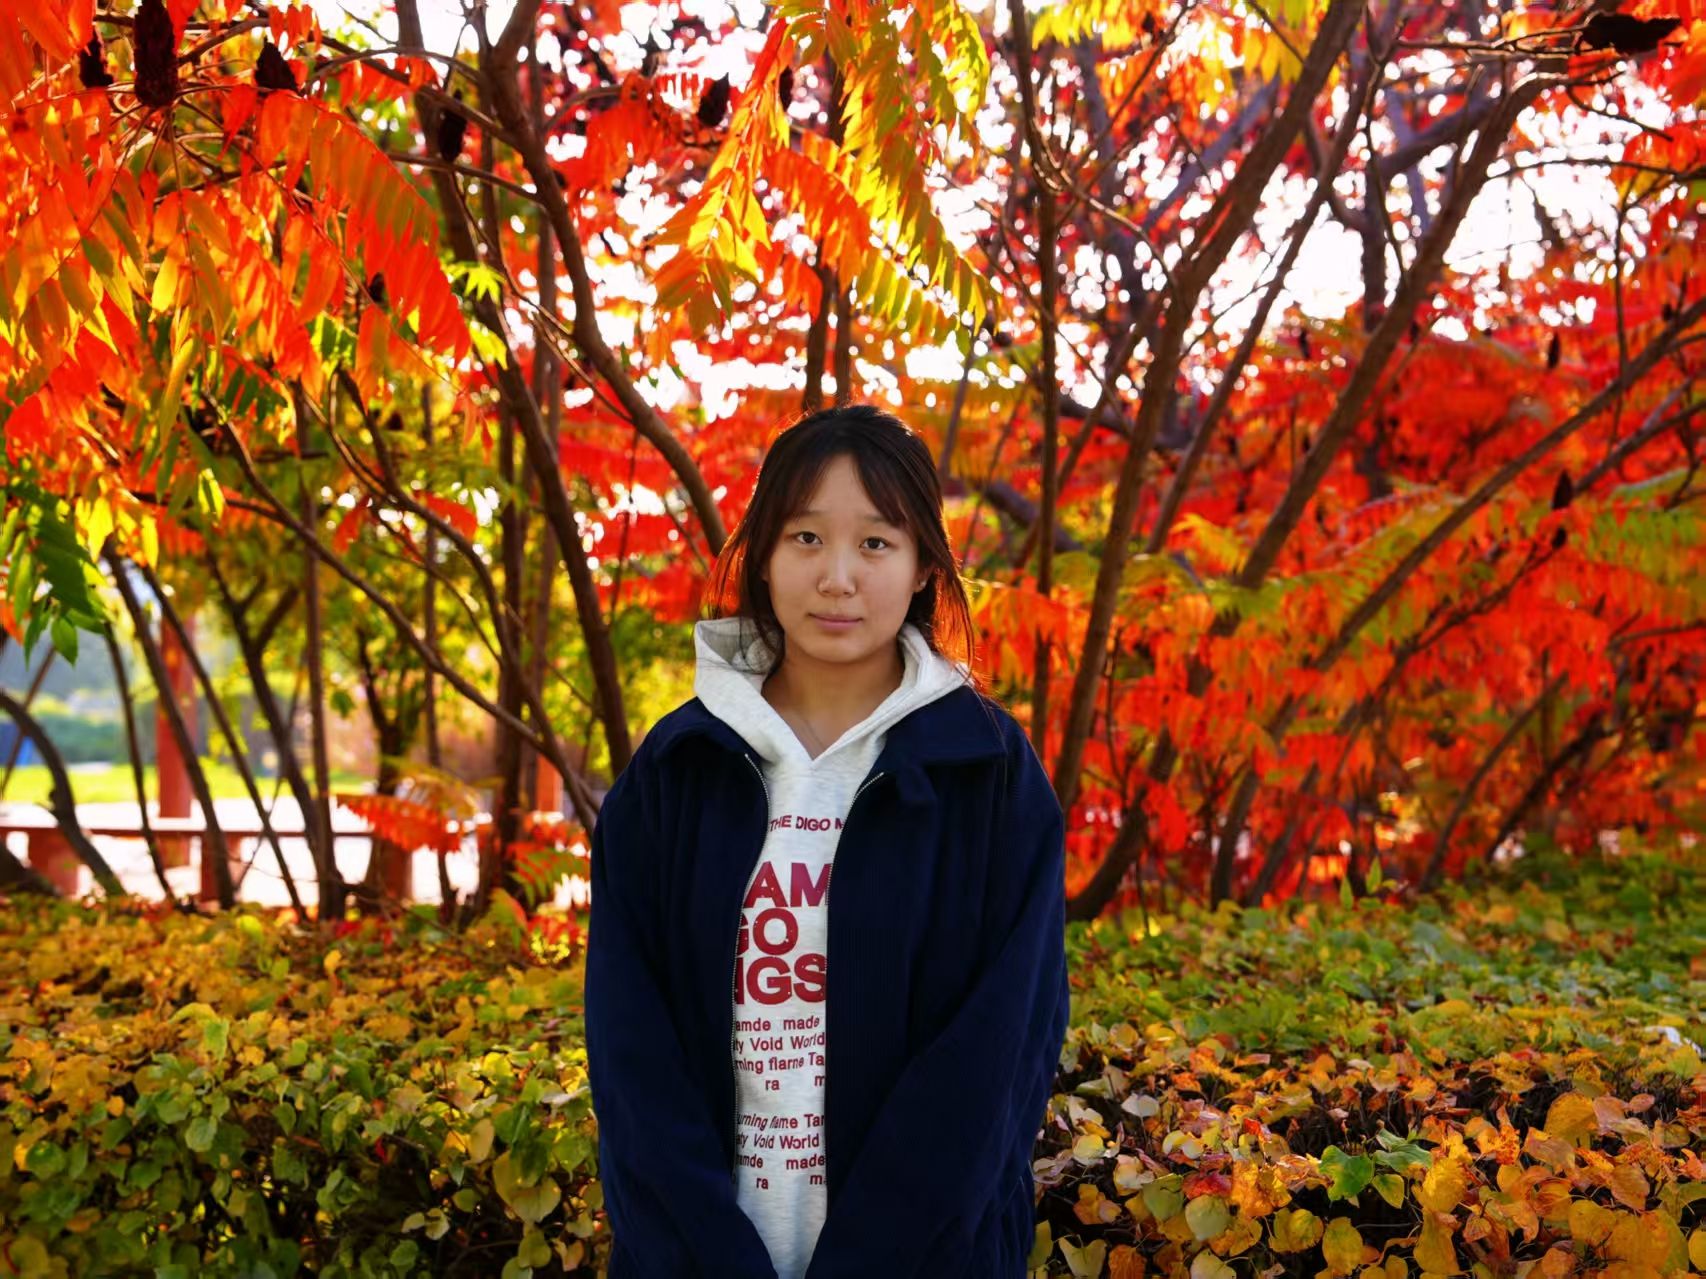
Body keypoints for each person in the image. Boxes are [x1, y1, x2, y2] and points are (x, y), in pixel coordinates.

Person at [584, 403, 1070, 1279]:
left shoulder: (989, 776)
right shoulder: (678, 768)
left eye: (876, 542)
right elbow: (631, 1051)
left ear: (924, 567)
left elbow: (996, 1062)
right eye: (805, 537)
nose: (837, 577)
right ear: (762, 556)